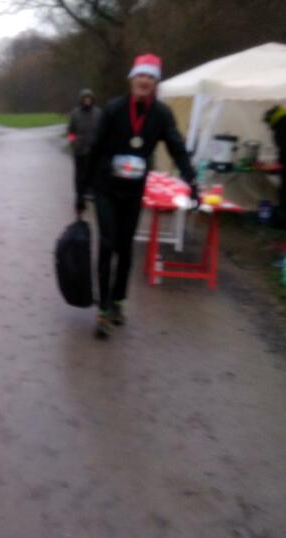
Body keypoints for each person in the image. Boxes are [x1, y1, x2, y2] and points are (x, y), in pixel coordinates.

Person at [80, 53, 197, 338]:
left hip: (133, 191)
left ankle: (118, 300)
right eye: (141, 75)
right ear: (132, 79)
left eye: (151, 77)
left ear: (155, 83)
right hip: (106, 188)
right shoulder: (114, 109)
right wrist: (81, 190)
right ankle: (103, 308)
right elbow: (95, 148)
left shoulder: (161, 114)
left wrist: (192, 179)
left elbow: (176, 147)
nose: (145, 80)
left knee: (125, 247)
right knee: (107, 242)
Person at [68, 88, 102, 208]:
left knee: (94, 173)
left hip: (94, 150)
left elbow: (102, 130)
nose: (87, 100)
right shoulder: (75, 114)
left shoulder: (98, 113)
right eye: (85, 98)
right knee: (80, 175)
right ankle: (79, 195)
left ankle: (93, 193)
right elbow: (71, 132)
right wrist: (73, 143)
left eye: (89, 98)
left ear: (92, 99)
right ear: (81, 100)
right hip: (80, 150)